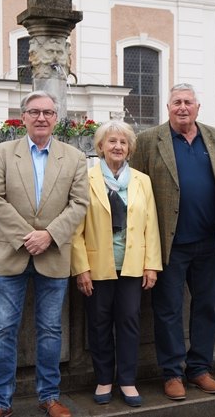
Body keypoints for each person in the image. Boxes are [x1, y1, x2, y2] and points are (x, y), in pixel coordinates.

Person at [0, 91, 89, 417]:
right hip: (10, 256)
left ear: (56, 118)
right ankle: (0, 401)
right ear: (24, 116)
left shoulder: (74, 157)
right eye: (34, 112)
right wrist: (28, 237)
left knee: (50, 331)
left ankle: (49, 396)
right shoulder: (1, 153)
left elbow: (79, 204)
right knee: (3, 332)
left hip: (53, 255)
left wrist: (50, 235)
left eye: (47, 112)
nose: (41, 117)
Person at [130, 83, 215, 401]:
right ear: (168, 107)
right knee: (168, 311)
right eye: (177, 102)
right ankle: (172, 373)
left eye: (188, 102)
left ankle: (200, 369)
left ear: (197, 107)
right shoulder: (148, 140)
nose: (183, 107)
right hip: (169, 244)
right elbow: (136, 193)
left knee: (206, 309)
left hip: (208, 241)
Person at [71, 120, 162, 407]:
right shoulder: (86, 180)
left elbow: (151, 226)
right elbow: (76, 230)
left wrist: (151, 265)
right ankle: (103, 380)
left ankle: (127, 380)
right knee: (98, 324)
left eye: (123, 142)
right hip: (98, 267)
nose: (117, 147)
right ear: (100, 147)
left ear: (130, 148)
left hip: (132, 266)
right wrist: (81, 268)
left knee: (129, 323)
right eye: (112, 141)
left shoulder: (141, 181)